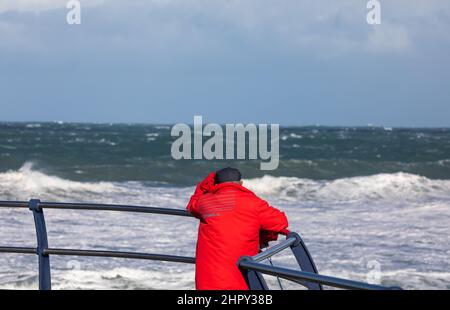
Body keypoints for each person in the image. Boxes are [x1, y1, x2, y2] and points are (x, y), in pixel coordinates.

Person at [186, 167, 289, 290]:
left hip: (208, 279)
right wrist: (263, 237)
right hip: (240, 275)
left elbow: (192, 205)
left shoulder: (204, 202)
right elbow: (280, 222)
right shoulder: (253, 203)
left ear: (217, 183)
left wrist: (206, 183)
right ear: (241, 184)